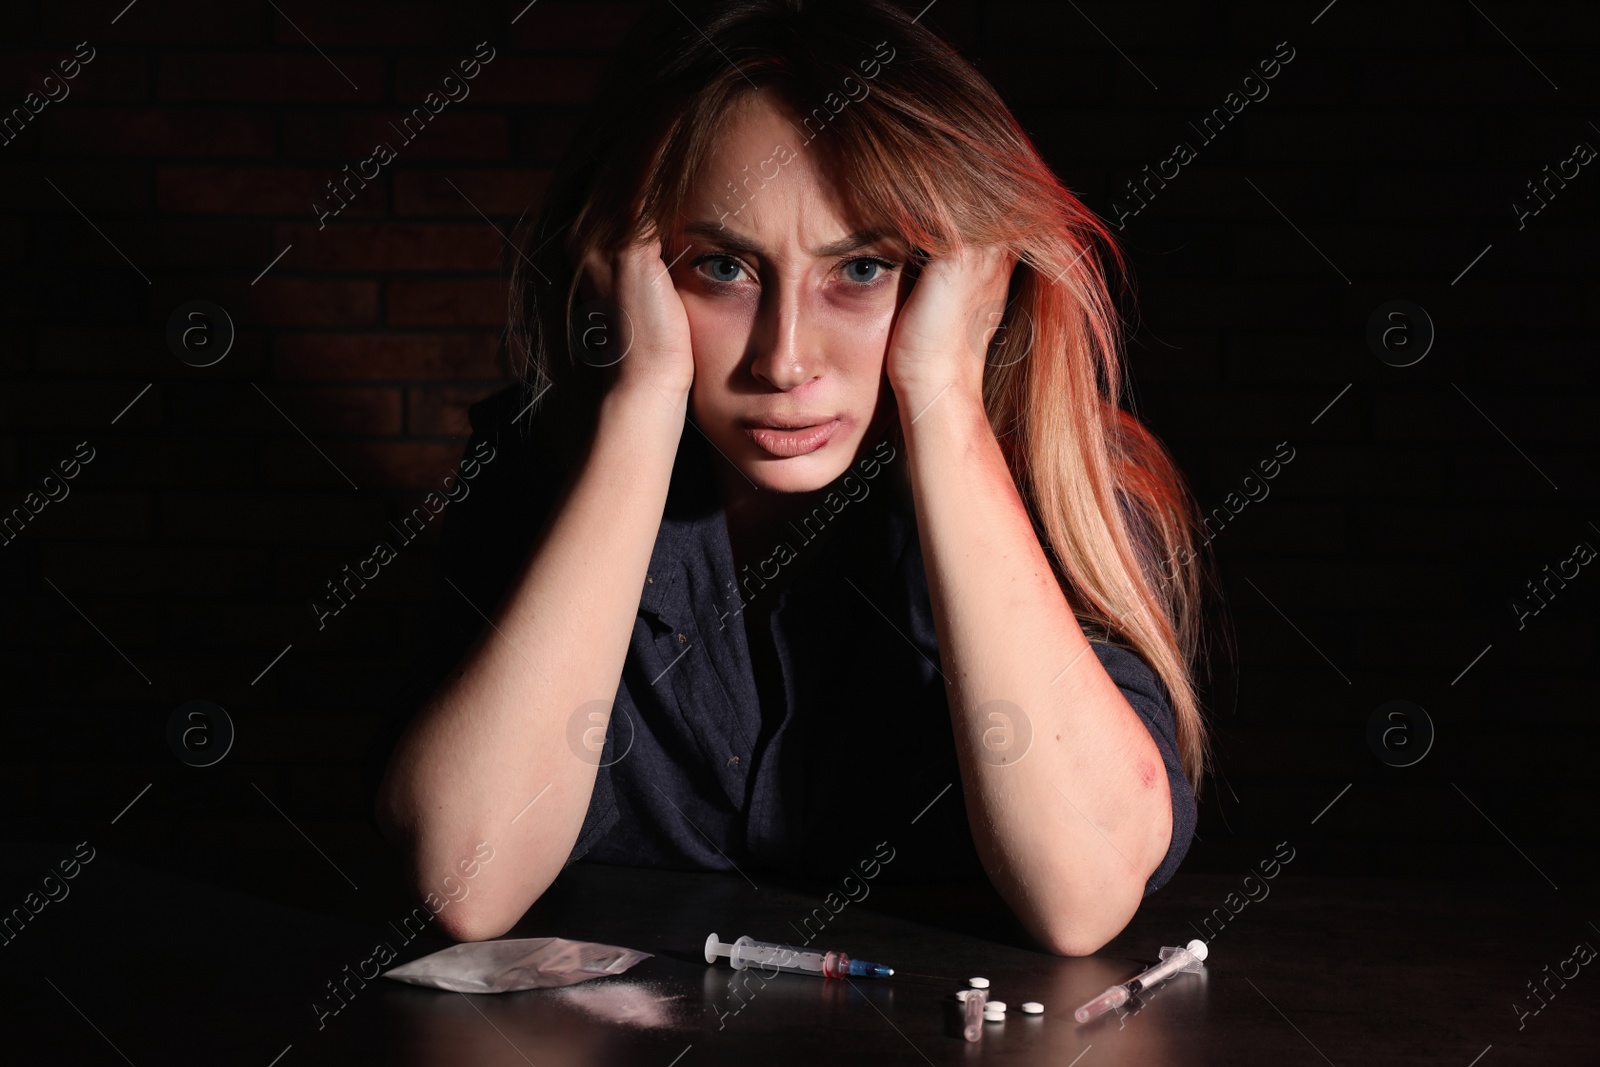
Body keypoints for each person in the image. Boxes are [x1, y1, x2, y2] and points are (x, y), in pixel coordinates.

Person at [371, 0, 1219, 957]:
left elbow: (1082, 895)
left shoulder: (1062, 479)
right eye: (723, 266)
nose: (783, 359)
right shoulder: (545, 472)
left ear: (966, 278)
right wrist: (645, 393)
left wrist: (941, 392)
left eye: (860, 267)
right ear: (633, 269)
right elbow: (464, 883)